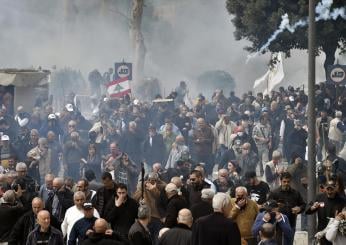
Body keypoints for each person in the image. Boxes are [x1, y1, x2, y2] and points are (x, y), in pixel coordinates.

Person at [306, 179, 346, 245]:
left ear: (335, 188)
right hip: (322, 232)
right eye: (328, 189)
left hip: (335, 233)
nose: (329, 192)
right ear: (325, 188)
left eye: (331, 189)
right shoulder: (319, 197)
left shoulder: (342, 200)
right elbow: (307, 210)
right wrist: (312, 208)